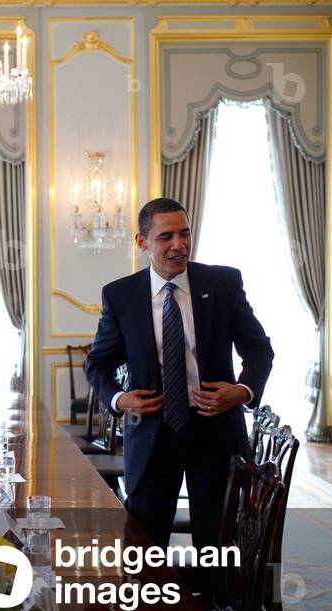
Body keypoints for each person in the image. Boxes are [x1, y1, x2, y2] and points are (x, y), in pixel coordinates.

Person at [84, 198, 274, 552]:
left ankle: (211, 607)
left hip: (215, 433)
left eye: (185, 234)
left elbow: (259, 348)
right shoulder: (121, 295)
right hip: (152, 437)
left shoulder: (223, 283)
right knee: (143, 546)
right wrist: (119, 398)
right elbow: (97, 364)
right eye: (166, 236)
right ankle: (150, 607)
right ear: (142, 242)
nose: (179, 245)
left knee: (216, 546)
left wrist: (243, 390)